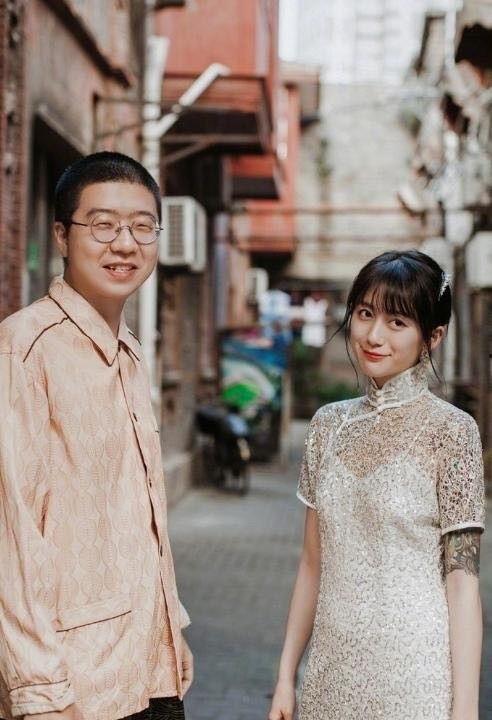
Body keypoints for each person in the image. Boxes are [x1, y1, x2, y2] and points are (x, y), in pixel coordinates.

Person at [0, 152, 193, 720]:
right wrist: (40, 691)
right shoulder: (24, 349)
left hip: (147, 673)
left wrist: (171, 632)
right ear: (62, 235)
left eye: (142, 226)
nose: (125, 244)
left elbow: (139, 518)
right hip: (73, 688)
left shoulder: (129, 352)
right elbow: (11, 534)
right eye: (103, 225)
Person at [269, 250, 485, 720]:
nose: (373, 335)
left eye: (397, 322)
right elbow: (311, 563)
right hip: (329, 674)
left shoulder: (453, 432)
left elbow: (463, 583)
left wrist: (466, 709)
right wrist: (286, 675)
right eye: (365, 314)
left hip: (415, 677)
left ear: (434, 336)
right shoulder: (327, 425)